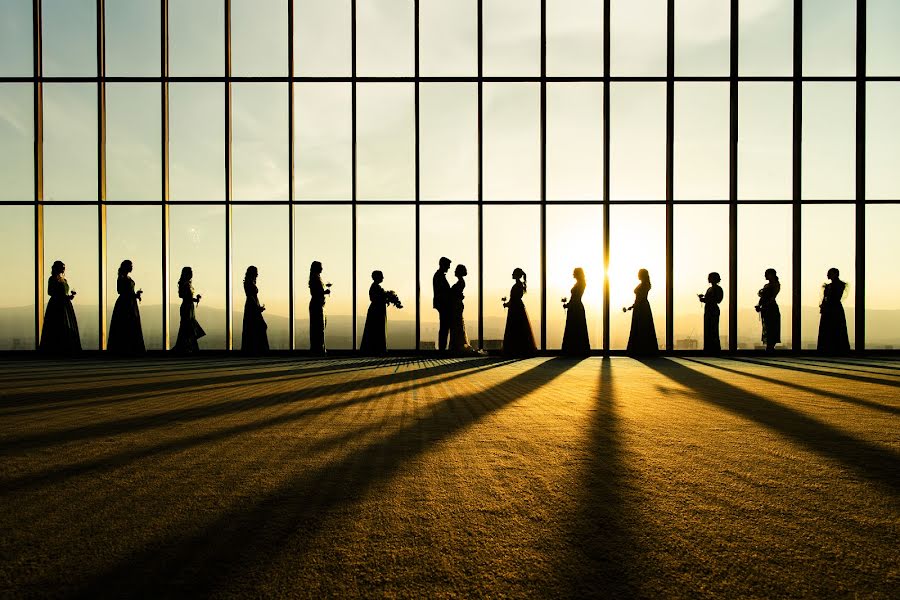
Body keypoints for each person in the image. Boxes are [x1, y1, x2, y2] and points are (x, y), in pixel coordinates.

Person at [39, 260, 81, 354]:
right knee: (57, 324)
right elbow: (49, 292)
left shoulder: (64, 279)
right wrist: (64, 296)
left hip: (64, 304)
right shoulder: (52, 279)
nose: (63, 268)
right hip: (56, 304)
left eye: (64, 267)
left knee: (63, 324)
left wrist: (69, 297)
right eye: (62, 267)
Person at [107, 259, 145, 354]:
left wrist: (135, 295)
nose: (132, 267)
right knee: (127, 324)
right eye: (130, 266)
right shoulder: (121, 277)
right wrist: (134, 295)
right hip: (125, 304)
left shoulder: (126, 277)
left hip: (129, 303)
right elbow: (120, 291)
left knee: (128, 324)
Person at [360, 271, 402, 355]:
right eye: (381, 276)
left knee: (374, 329)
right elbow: (376, 298)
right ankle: (377, 349)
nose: (383, 278)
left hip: (376, 309)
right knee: (377, 329)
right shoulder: (376, 287)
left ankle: (374, 349)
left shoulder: (375, 286)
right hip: (377, 310)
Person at [502, 268, 537, 357]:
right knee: (520, 328)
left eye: (513, 273)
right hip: (518, 307)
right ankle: (521, 349)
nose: (512, 275)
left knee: (514, 328)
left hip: (515, 308)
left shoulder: (517, 285)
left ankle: (514, 349)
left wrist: (507, 304)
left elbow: (514, 298)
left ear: (517, 275)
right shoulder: (520, 285)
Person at [624, 268, 658, 356]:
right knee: (642, 327)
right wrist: (633, 305)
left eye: (639, 274)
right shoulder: (644, 284)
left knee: (640, 327)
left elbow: (640, 298)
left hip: (641, 308)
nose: (637, 275)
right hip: (641, 307)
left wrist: (633, 306)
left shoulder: (644, 285)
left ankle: (639, 350)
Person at [817, 267, 850, 355]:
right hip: (833, 309)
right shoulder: (835, 285)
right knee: (835, 328)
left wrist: (824, 306)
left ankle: (830, 349)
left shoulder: (835, 286)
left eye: (829, 273)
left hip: (832, 309)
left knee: (831, 328)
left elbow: (832, 297)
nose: (827, 275)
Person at [173, 266, 205, 353]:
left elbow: (187, 297)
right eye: (190, 272)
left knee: (187, 327)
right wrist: (192, 299)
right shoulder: (183, 283)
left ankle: (186, 347)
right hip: (186, 307)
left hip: (190, 307)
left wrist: (195, 299)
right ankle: (192, 348)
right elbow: (181, 295)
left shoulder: (188, 283)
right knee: (187, 326)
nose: (192, 274)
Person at [448, 264, 477, 354]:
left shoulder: (460, 282)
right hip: (457, 305)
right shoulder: (461, 282)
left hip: (456, 306)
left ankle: (456, 346)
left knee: (456, 326)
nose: (454, 272)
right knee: (457, 326)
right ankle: (457, 346)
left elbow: (455, 294)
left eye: (456, 270)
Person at [561, 267, 590, 356]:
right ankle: (578, 350)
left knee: (574, 327)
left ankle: (573, 350)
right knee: (577, 327)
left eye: (574, 273)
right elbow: (575, 298)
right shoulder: (580, 283)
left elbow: (576, 298)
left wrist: (569, 304)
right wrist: (568, 304)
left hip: (575, 308)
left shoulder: (580, 284)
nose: (573, 274)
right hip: (575, 307)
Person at [241, 266, 269, 354]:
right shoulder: (249, 283)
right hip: (252, 307)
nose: (257, 274)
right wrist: (257, 308)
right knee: (260, 326)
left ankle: (254, 348)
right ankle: (260, 349)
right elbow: (251, 297)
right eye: (256, 272)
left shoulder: (248, 282)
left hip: (251, 307)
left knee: (253, 327)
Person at [755, 268, 781, 352]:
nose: (765, 276)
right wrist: (759, 305)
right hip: (767, 308)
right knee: (768, 327)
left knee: (771, 327)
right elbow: (763, 298)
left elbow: (771, 297)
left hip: (771, 308)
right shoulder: (768, 285)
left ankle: (770, 347)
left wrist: (762, 306)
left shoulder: (775, 285)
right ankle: (769, 347)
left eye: (767, 274)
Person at [698, 272, 723, 354]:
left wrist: (705, 300)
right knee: (709, 329)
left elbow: (718, 300)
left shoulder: (716, 289)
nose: (708, 279)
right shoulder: (712, 289)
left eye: (709, 277)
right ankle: (710, 348)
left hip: (712, 310)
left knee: (713, 329)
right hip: (709, 310)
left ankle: (712, 349)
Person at [309, 261, 329, 355]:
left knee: (318, 327)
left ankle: (318, 349)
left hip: (318, 305)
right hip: (317, 305)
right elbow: (316, 293)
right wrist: (325, 292)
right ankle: (319, 350)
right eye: (320, 267)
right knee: (319, 328)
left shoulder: (315, 278)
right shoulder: (315, 278)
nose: (322, 268)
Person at [433, 257, 452, 351]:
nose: (448, 268)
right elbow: (443, 292)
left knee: (444, 326)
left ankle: (442, 347)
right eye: (448, 266)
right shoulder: (439, 276)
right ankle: (442, 348)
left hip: (442, 304)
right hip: (443, 304)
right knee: (444, 327)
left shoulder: (438, 275)